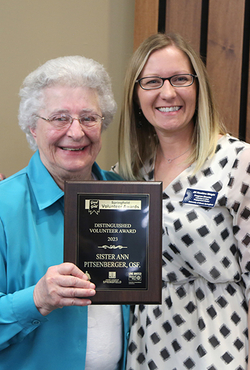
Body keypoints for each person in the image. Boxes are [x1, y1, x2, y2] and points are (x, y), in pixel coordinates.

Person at [115, 32, 250, 369]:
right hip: (145, 343)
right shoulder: (128, 174)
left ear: (198, 87)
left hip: (221, 343)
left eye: (180, 79)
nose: (168, 92)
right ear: (135, 96)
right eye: (152, 82)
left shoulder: (238, 162)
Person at [0, 56, 130, 370]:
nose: (76, 132)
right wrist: (36, 299)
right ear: (32, 126)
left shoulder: (128, 196)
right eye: (60, 118)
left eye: (89, 118)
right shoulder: (4, 206)